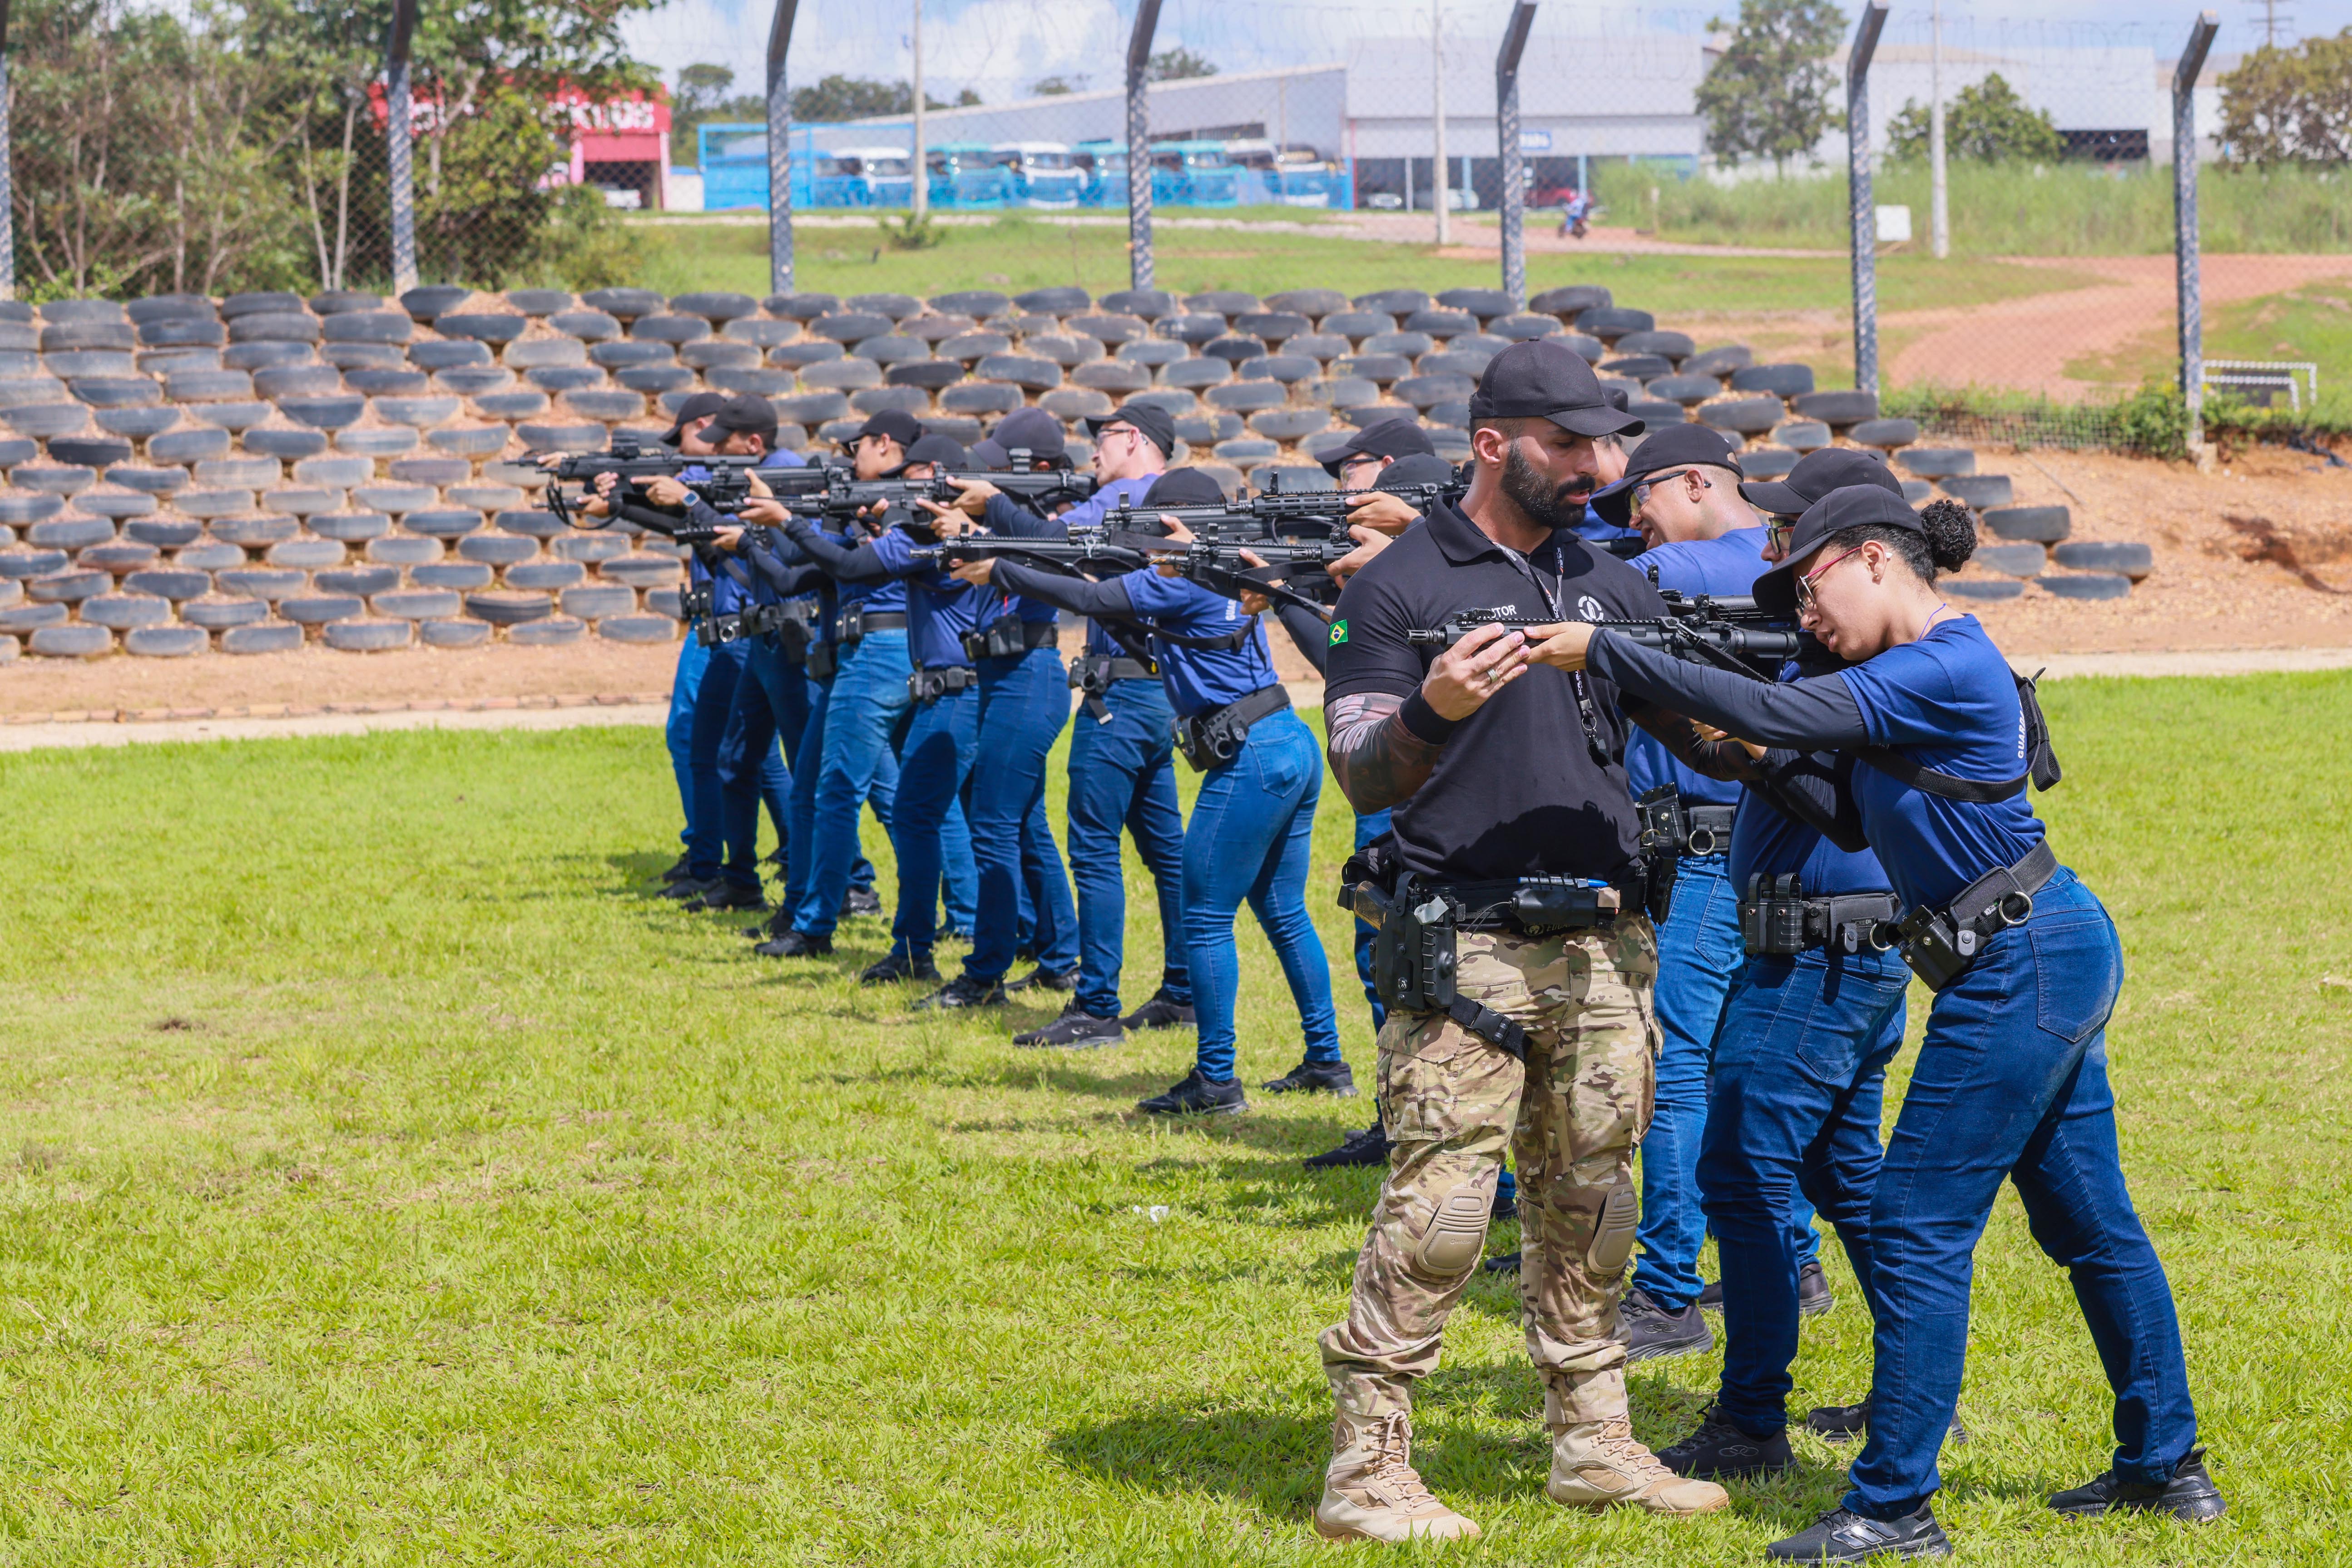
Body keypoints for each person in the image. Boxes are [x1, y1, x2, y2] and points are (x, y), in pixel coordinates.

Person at [1527, 484, 2219, 1561]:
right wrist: (1663, 705)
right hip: (2036, 947)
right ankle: (2165, 1465)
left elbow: (1780, 719)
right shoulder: (1905, 675)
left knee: (1913, 1223)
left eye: (1807, 588)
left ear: (1870, 559)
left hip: (2019, 961)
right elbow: (1828, 803)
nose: (1804, 616)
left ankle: (1894, 1507)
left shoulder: (1943, 660)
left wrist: (1610, 649)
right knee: (2086, 1221)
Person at [1308, 339, 1728, 1542]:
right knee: (1442, 1208)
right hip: (1466, 947)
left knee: (1595, 1202)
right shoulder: (1397, 585)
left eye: (1604, 444)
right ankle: (1366, 1468)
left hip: (1606, 938)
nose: (1596, 467)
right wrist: (1433, 707)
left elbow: (1704, 734)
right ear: (1493, 442)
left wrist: (1836, 705)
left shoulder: (1612, 579)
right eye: (1568, 444)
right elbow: (1361, 768)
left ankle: (1594, 1444)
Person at [1646, 467, 1918, 1484]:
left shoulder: (1870, 662)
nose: (1775, 556)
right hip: (1839, 952)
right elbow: (1755, 760)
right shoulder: (1842, 651)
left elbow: (1803, 778)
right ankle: (1911, 1391)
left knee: (1738, 1170)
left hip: (1820, 955)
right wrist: (1666, 702)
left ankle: (1751, 1417)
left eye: (1795, 538)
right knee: (1842, 1174)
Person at [950, 467, 1344, 1114]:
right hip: (1285, 740)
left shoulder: (1183, 576)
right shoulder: (1225, 571)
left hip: (1250, 754)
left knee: (1206, 917)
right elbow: (1131, 613)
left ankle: (1216, 1080)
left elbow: (1091, 600)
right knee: (1282, 911)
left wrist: (1001, 570)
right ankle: (1326, 1061)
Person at [1585, 422, 1839, 1356]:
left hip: (1710, 853)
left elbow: (1584, 586)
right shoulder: (1766, 570)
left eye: (1642, 499)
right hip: (1751, 846)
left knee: (1676, 1063)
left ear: (1695, 482)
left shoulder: (1691, 567)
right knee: (1741, 1061)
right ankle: (1793, 1259)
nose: (1636, 524)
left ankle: (1667, 1290)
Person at [966, 403, 1191, 1046]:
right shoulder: (1162, 498)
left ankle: (1095, 1008)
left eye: (1104, 436)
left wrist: (993, 506)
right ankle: (1181, 993)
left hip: (1117, 695)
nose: (1093, 450)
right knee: (1164, 852)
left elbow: (1055, 543)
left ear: (1136, 439)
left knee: (1093, 849)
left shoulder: (1130, 496)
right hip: (1153, 691)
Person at [780, 449, 983, 984]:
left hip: (877, 652)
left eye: (865, 445)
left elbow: (832, 569)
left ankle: (815, 922)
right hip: (904, 654)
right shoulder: (921, 529)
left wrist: (788, 522)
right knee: (919, 800)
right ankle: (964, 916)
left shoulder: (921, 531)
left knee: (837, 789)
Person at [641, 395, 798, 910]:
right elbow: (709, 533)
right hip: (743, 632)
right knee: (731, 755)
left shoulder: (783, 474)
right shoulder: (746, 474)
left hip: (758, 632)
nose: (710, 454)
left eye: (721, 444)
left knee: (809, 769)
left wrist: (688, 499)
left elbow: (747, 542)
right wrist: (625, 501)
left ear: (751, 444)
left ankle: (846, 883)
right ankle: (731, 873)